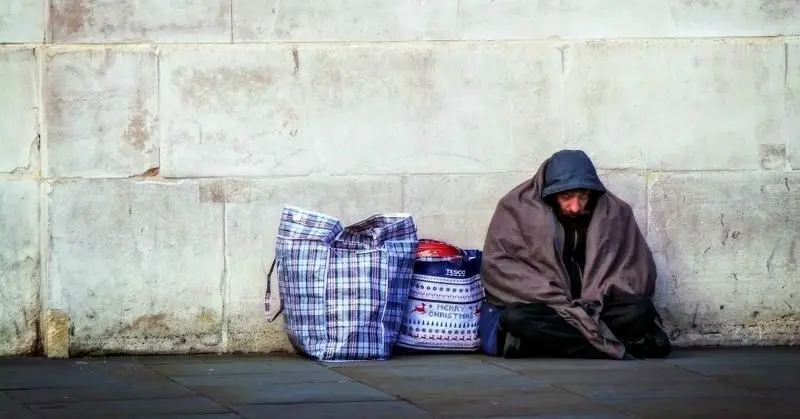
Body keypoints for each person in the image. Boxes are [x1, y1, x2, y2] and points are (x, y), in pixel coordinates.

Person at [478, 149, 670, 360]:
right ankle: (615, 348)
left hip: (598, 308)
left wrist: (600, 292)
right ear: (549, 193)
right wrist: (553, 295)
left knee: (641, 310)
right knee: (516, 318)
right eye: (566, 197)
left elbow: (637, 269)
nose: (575, 207)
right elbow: (500, 267)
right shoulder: (516, 208)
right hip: (549, 308)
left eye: (583, 197)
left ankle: (567, 346)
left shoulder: (615, 212)